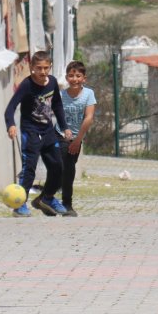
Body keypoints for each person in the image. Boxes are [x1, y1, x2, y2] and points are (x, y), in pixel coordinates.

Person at [5, 52, 69, 217]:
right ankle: (20, 204)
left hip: (48, 131)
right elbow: (10, 108)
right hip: (31, 132)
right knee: (29, 169)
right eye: (38, 68)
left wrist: (64, 127)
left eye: (46, 68)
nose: (42, 72)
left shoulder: (53, 82)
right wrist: (11, 125)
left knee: (58, 167)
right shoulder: (27, 85)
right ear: (32, 68)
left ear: (50, 67)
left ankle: (47, 198)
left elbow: (57, 105)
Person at [59, 61, 96, 217]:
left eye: (78, 76)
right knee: (61, 165)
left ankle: (67, 204)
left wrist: (77, 140)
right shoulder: (60, 95)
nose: (74, 79)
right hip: (60, 135)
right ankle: (54, 200)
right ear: (67, 77)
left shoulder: (88, 94)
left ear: (84, 79)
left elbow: (88, 118)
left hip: (76, 138)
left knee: (69, 170)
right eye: (71, 75)